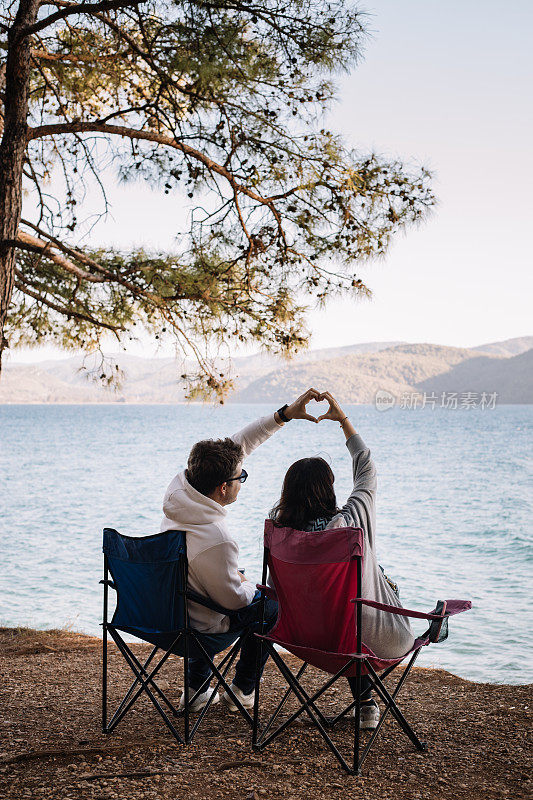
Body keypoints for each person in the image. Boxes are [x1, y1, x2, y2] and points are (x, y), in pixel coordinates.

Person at [160, 388, 321, 712]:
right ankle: (242, 689)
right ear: (224, 487)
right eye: (240, 477)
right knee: (272, 607)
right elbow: (233, 599)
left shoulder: (181, 503)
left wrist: (284, 415)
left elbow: (237, 447)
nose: (241, 480)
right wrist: (247, 581)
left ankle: (196, 690)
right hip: (198, 627)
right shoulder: (218, 538)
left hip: (164, 615)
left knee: (208, 589)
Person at [270, 391, 415, 730]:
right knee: (358, 600)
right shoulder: (350, 522)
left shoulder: (281, 534)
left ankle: (364, 701)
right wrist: (344, 421)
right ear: (330, 489)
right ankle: (365, 702)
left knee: (342, 605)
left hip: (304, 638)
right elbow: (367, 469)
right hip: (365, 641)